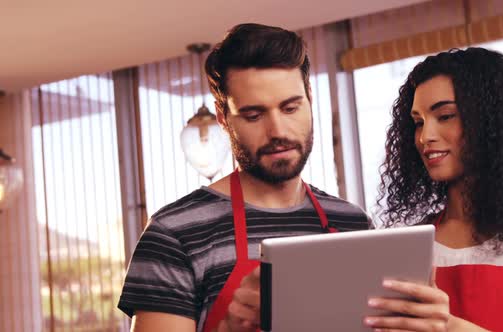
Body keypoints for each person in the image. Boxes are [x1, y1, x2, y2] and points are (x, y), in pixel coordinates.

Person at [117, 23, 371, 332]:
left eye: (290, 108)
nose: (278, 131)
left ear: (309, 100)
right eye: (254, 115)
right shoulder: (173, 235)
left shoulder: (354, 224)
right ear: (224, 119)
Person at [363, 47, 503, 331]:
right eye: (418, 122)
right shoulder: (405, 243)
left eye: (445, 116)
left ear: (493, 121)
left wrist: (450, 327)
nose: (425, 137)